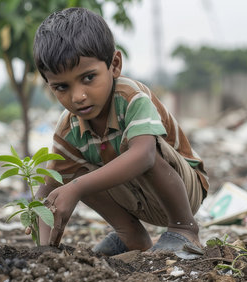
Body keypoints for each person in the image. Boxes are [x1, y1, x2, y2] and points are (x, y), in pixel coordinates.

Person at [32, 7, 209, 257]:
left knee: (140, 147)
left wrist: (77, 188)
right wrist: (43, 247)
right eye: (61, 87)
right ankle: (131, 236)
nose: (78, 96)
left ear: (114, 65)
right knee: (70, 175)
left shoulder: (131, 98)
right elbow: (47, 190)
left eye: (88, 78)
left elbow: (145, 156)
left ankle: (184, 229)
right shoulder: (67, 128)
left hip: (184, 190)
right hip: (136, 197)